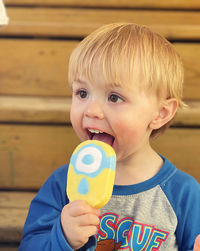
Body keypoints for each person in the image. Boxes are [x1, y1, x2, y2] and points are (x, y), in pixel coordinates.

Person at [19, 23, 200, 250]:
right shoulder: (62, 185)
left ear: (161, 113)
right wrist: (62, 237)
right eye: (82, 93)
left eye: (114, 97)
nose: (91, 110)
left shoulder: (183, 193)